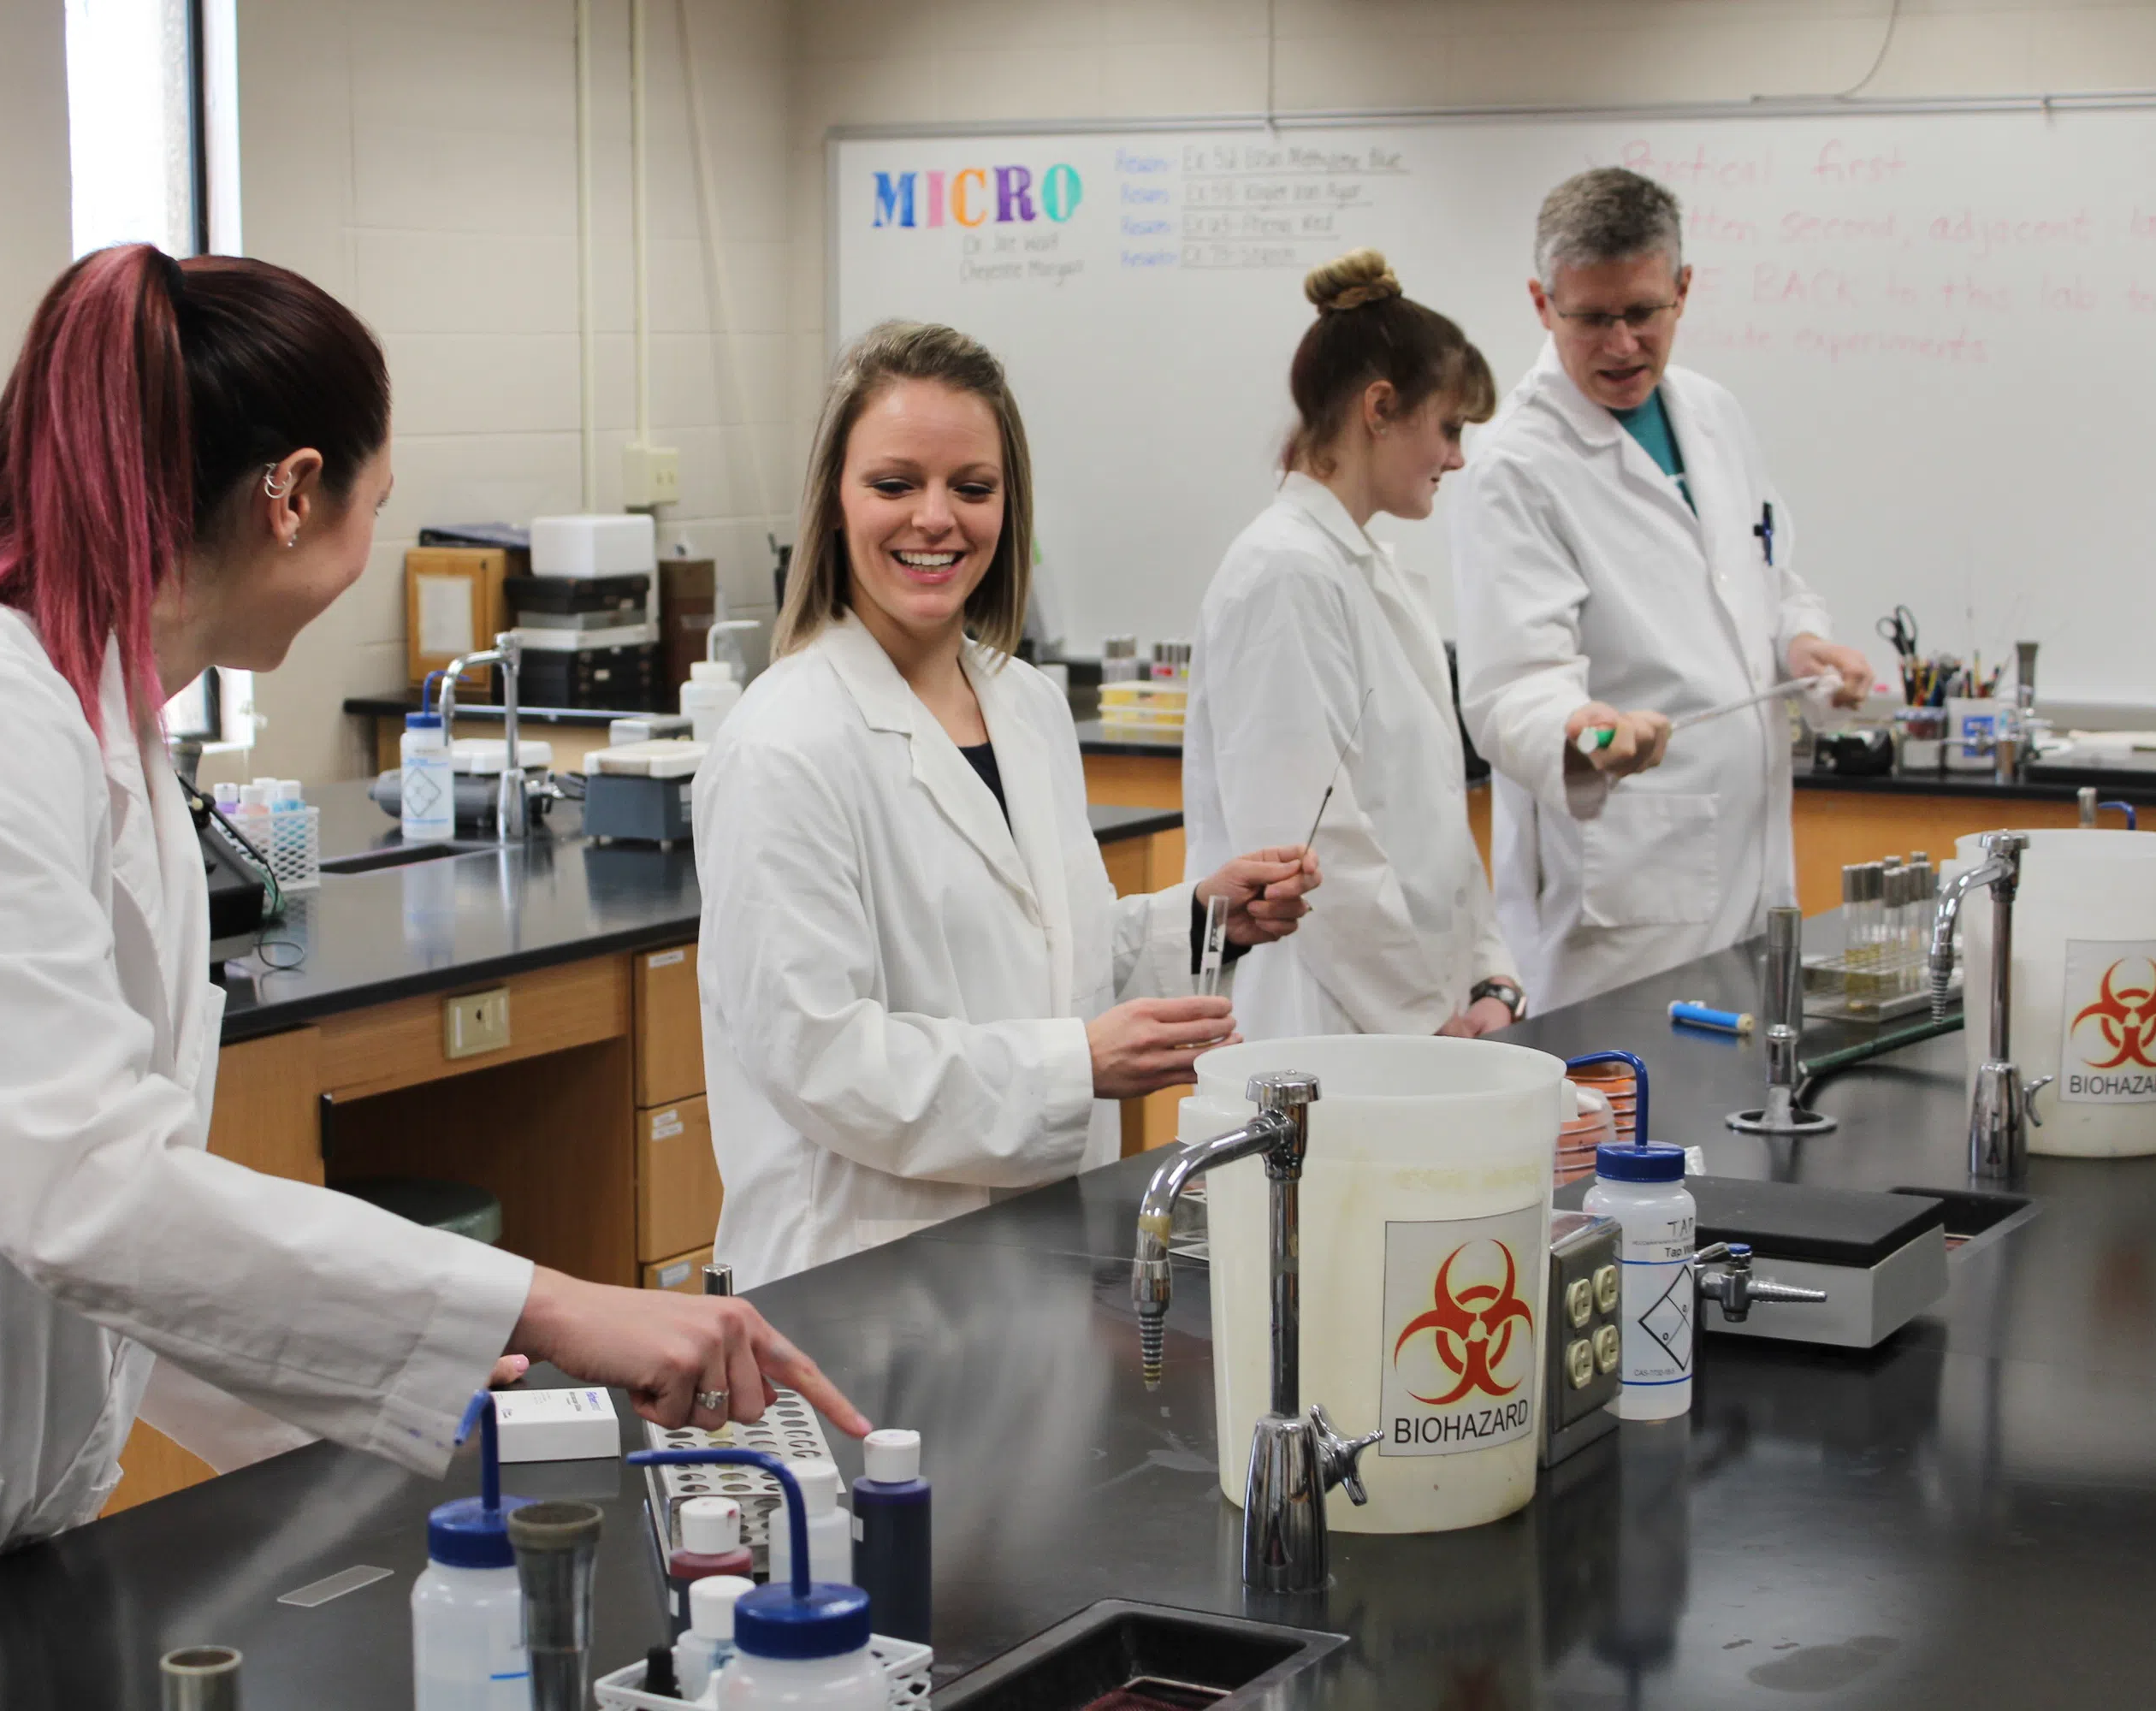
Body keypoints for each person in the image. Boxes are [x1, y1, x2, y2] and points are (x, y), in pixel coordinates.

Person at [0, 246, 864, 1660]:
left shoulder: (101, 720)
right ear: (295, 492)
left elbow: (136, 1230)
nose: (368, 547)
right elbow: (87, 1192)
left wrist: (448, 1410)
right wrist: (550, 1307)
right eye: (375, 508)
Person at [696, 321, 1319, 1287]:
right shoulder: (784, 742)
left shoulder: (1022, 703)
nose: (936, 518)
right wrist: (1076, 1066)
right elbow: (821, 1056)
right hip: (862, 1273)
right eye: (895, 483)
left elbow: (1047, 957)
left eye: (972, 488)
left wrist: (1203, 921)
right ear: (833, 502)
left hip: (1039, 1246)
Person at [1451, 169, 1875, 1009]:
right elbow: (1509, 686)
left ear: (1684, 290)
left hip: (1753, 862)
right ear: (1542, 303)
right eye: (1591, 318)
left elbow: (1765, 572)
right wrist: (1579, 728)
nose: (1620, 345)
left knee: (1748, 1100)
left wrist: (1802, 638)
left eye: (1642, 313)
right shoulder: (1514, 463)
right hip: (1626, 884)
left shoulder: (1714, 414)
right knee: (1635, 1113)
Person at [1184, 250, 1523, 1039]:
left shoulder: (1371, 573)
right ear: (1379, 408)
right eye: (1448, 427)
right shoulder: (1283, 576)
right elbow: (1312, 852)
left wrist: (1487, 973)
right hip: (1321, 1026)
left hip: (1407, 1026)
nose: (1458, 457)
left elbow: (1434, 818)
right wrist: (1422, 1022)